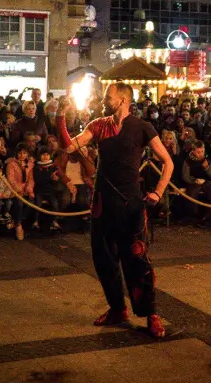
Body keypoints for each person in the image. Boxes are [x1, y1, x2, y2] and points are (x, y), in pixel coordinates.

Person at [56, 83, 173, 339]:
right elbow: (68, 147)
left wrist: (157, 192)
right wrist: (60, 116)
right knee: (104, 259)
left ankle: (151, 313)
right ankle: (118, 309)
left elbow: (168, 161)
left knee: (138, 260)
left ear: (122, 99)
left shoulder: (143, 127)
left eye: (109, 96)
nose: (104, 100)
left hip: (130, 204)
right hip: (102, 204)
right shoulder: (99, 125)